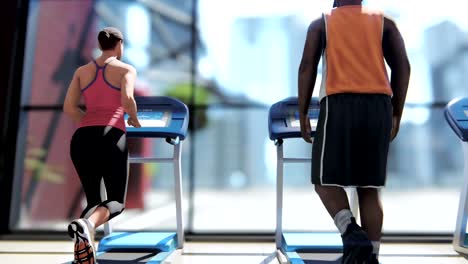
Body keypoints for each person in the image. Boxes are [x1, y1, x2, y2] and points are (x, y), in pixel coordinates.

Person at [298, 0, 410, 263]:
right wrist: (396, 112)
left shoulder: (322, 23)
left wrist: (303, 112)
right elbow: (402, 67)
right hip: (379, 105)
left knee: (324, 182)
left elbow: (307, 67)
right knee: (369, 189)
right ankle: (370, 257)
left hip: (340, 103)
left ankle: (351, 234)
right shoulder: (385, 22)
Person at [63, 27, 141, 263]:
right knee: (116, 202)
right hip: (111, 136)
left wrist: (88, 124)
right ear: (120, 45)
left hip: (81, 139)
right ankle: (86, 224)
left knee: (94, 200)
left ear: (99, 45)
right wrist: (134, 119)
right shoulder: (126, 69)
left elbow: (69, 107)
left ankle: (85, 251)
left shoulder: (81, 71)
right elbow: (127, 100)